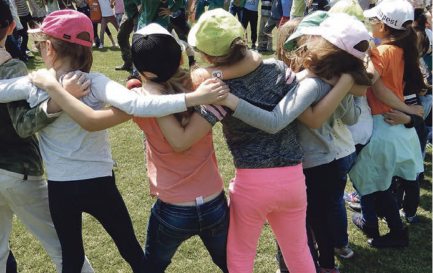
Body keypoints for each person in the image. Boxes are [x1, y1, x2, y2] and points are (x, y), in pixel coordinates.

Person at [0, 9, 227, 273]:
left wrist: (46, 85)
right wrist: (192, 99)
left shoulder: (36, 82)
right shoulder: (93, 81)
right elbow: (135, 103)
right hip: (100, 185)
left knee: (71, 259)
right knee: (130, 250)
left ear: (48, 48)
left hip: (61, 189)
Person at [187, 9, 362, 273]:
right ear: (241, 40)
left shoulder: (215, 90)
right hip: (292, 181)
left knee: (241, 252)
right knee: (299, 250)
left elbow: (188, 135)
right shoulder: (280, 70)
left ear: (207, 55)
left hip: (251, 184)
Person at [0, 3, 94, 273]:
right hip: (18, 171)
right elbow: (23, 125)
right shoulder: (13, 67)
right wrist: (57, 101)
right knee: (62, 247)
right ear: (10, 26)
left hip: (14, 172)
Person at [130, 23, 229, 273]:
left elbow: (178, 141)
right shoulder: (201, 82)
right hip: (213, 201)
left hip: (173, 206)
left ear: (144, 71)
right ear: (180, 57)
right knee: (232, 264)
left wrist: (149, 90)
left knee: (151, 267)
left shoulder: (138, 97)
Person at [349, 0, 425, 248]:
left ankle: (378, 226)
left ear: (382, 25)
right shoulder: (403, 49)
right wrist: (411, 113)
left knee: (369, 183)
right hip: (396, 126)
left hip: (381, 124)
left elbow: (372, 84)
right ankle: (383, 225)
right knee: (378, 184)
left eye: (372, 20)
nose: (370, 24)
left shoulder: (382, 52)